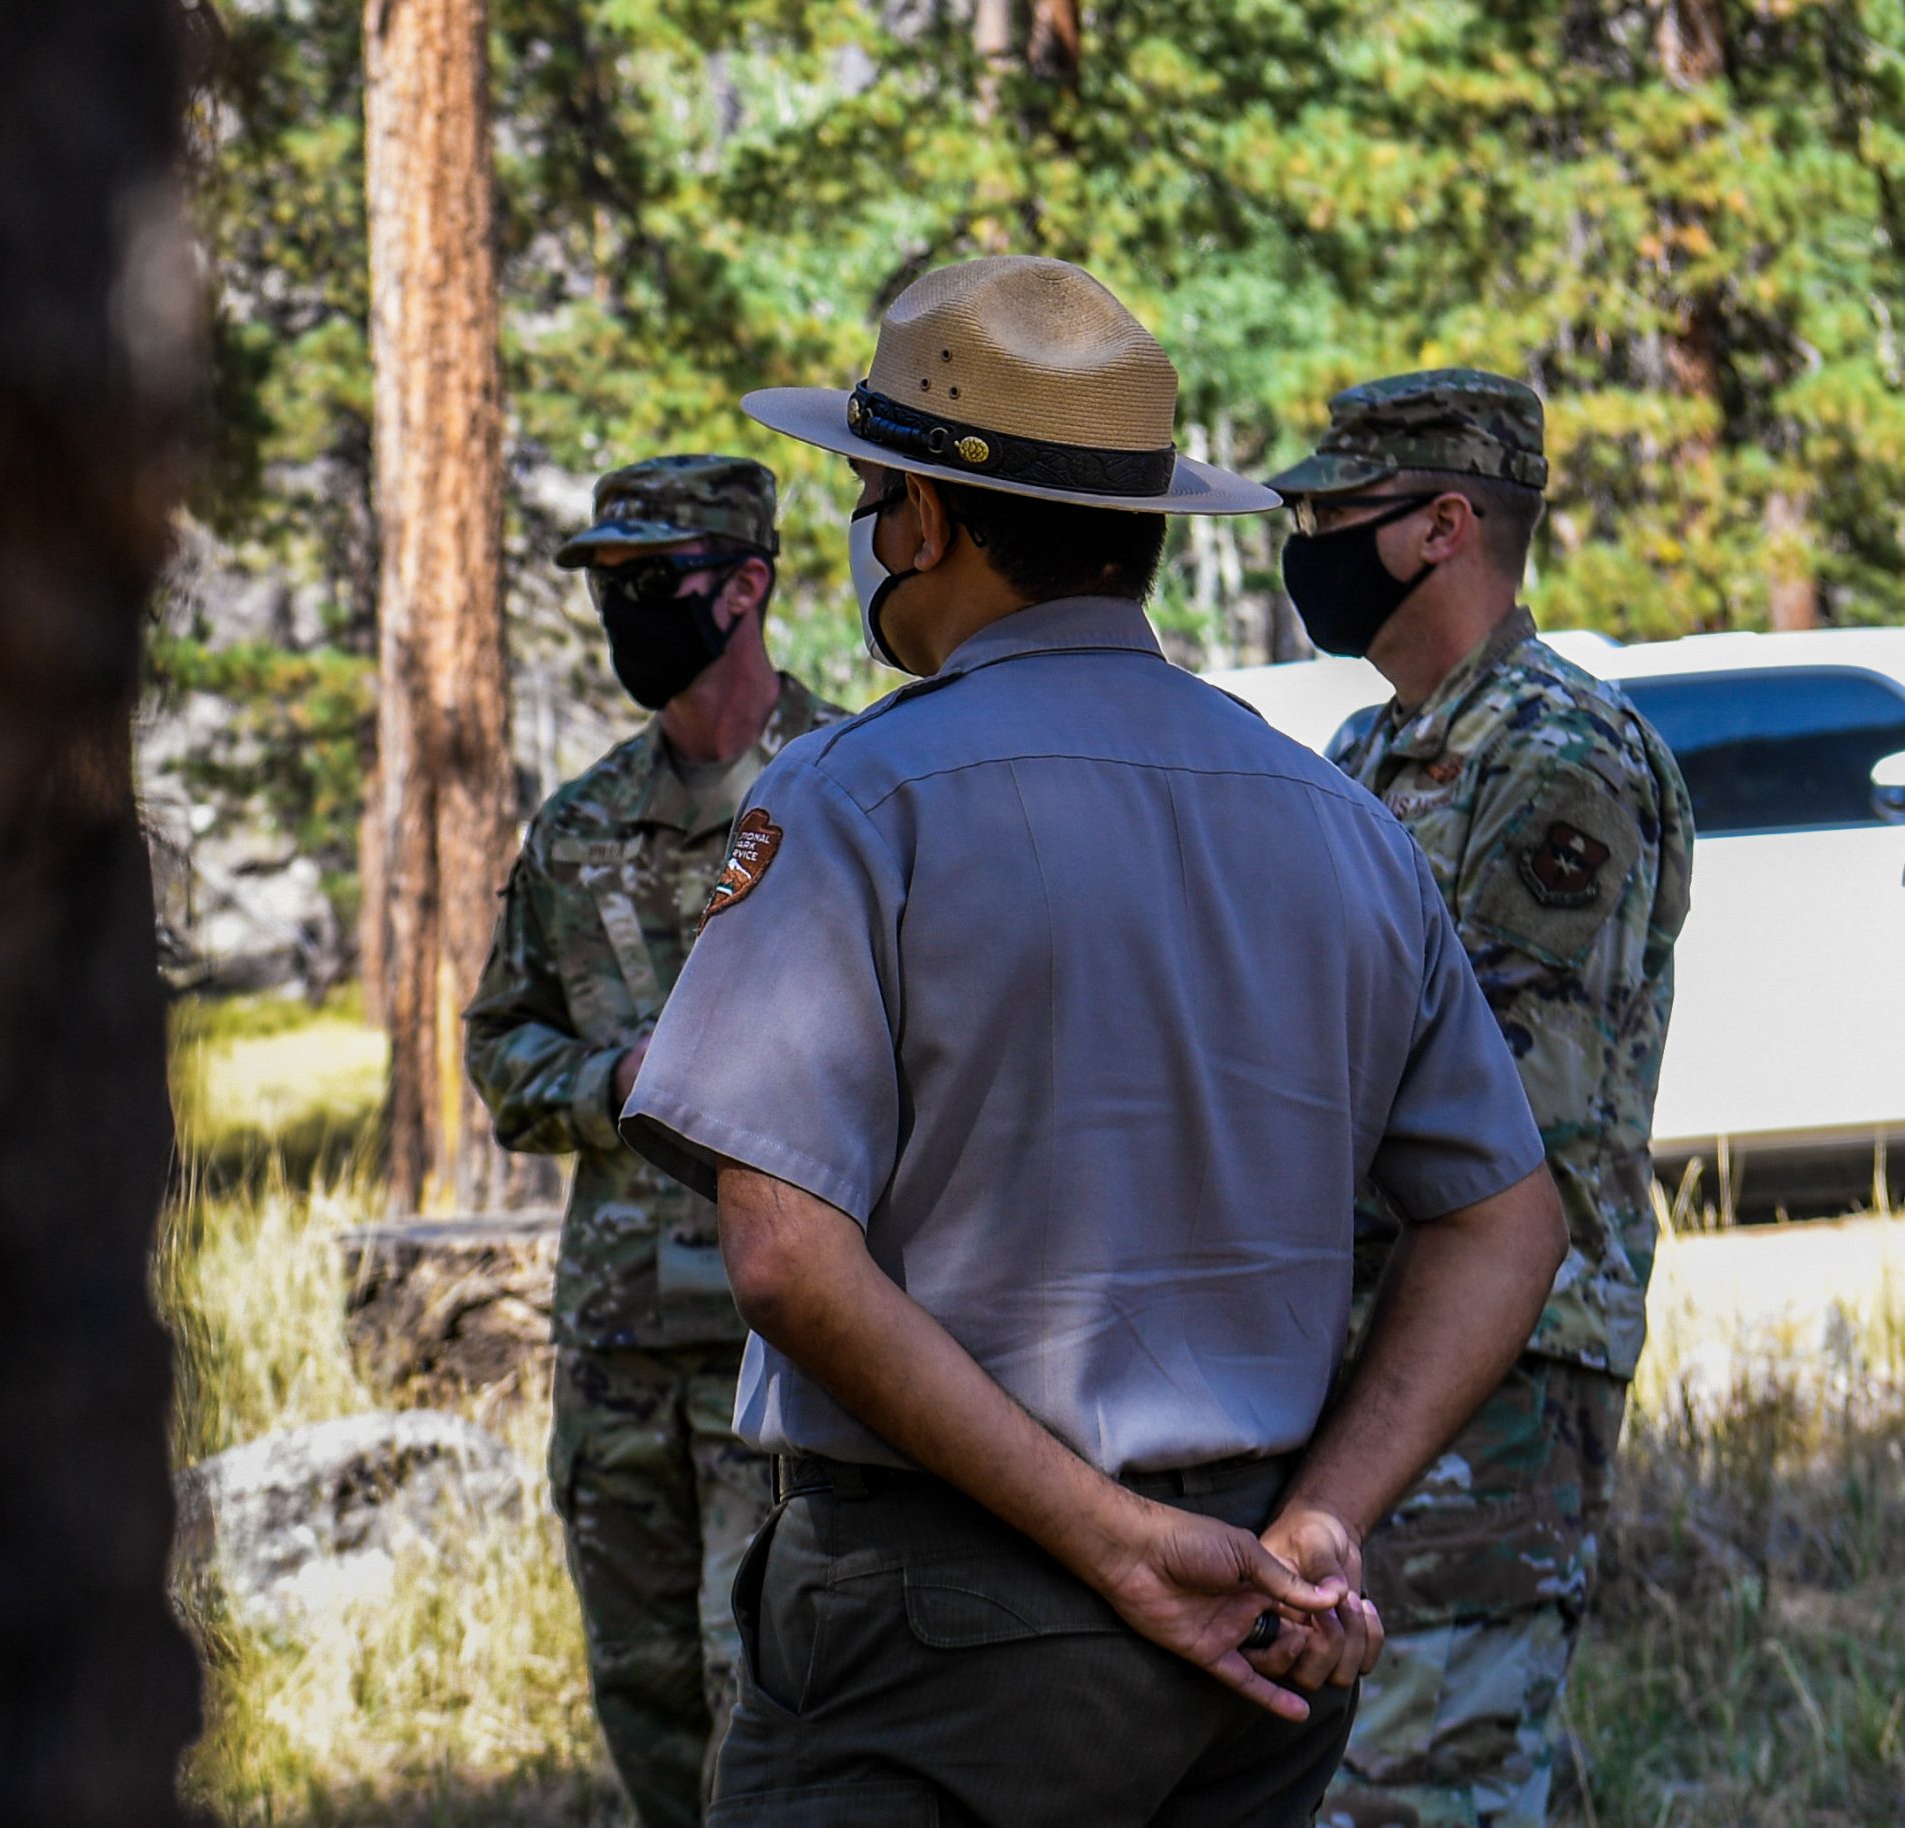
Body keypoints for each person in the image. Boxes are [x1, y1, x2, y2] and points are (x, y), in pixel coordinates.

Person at [614, 255, 1573, 1827]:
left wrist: (1116, 1543)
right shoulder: (1338, 821)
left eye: (872, 494)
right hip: (1255, 1636)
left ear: (921, 521)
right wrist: (1322, 1521)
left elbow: (782, 1254)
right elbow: (1506, 1219)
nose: (869, 533)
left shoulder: (853, 799)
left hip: (945, 1627)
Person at [1267, 372, 1695, 1828]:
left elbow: (1505, 1112)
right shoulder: (1371, 752)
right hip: (1371, 1339)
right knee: (1388, 1766)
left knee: (1426, 1778)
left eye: (1335, 512)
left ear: (1443, 525)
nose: (1306, 539)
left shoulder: (1557, 758)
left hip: (1498, 1360)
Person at [464, 454, 849, 1828]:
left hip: (801, 1349)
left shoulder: (855, 789)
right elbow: (500, 1049)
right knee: (644, 1693)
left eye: (652, 582)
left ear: (747, 587)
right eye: (606, 586)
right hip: (622, 1341)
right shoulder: (578, 830)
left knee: (772, 1695)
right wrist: (613, 1080)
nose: (624, 611)